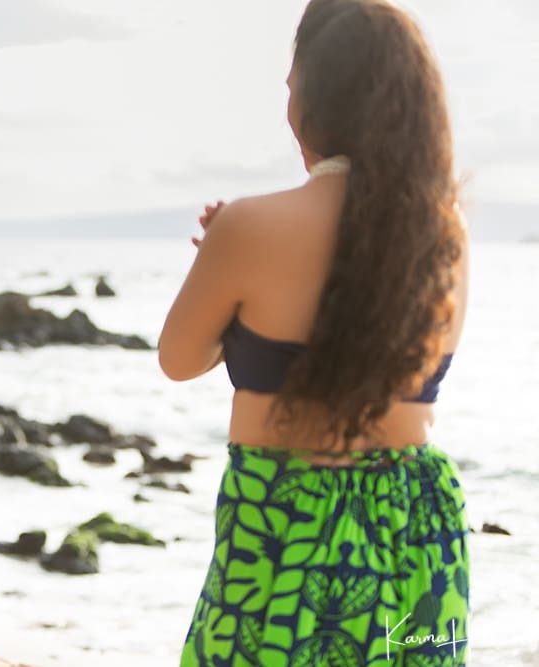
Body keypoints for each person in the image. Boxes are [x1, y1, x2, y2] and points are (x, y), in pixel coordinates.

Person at [158, 1, 470, 665]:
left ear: (311, 105)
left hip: (278, 516)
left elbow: (180, 358)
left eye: (291, 89)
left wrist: (224, 268)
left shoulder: (249, 226)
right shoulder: (447, 237)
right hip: (413, 517)